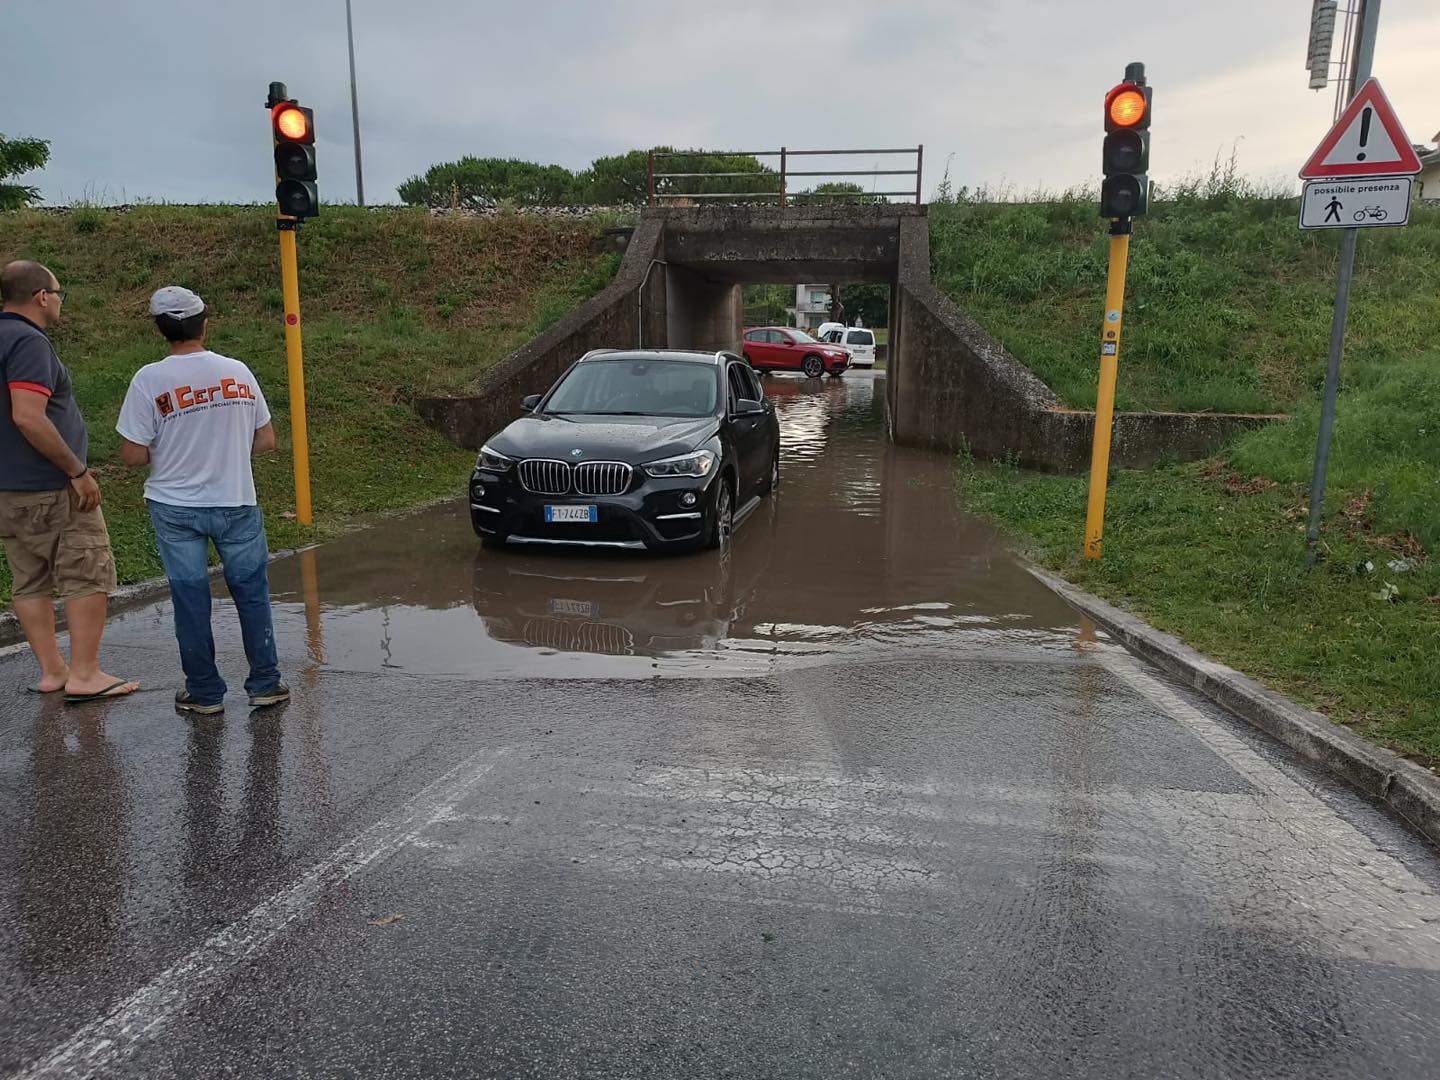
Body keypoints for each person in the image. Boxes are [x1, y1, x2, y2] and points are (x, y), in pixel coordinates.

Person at [117, 286, 288, 715]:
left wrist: (175, 447)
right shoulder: (238, 372)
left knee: (190, 598)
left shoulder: (148, 379)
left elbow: (132, 454)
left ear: (160, 329)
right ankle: (266, 683)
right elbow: (266, 440)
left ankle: (205, 692)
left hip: (174, 507)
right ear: (204, 323)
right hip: (236, 501)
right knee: (252, 593)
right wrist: (223, 446)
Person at [0, 260, 138, 703]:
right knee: (86, 572)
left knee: (29, 580)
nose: (59, 301)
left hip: (7, 490)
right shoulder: (27, 342)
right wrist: (76, 471)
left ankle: (52, 671)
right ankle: (85, 674)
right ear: (41, 296)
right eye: (58, 293)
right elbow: (27, 415)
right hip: (49, 486)